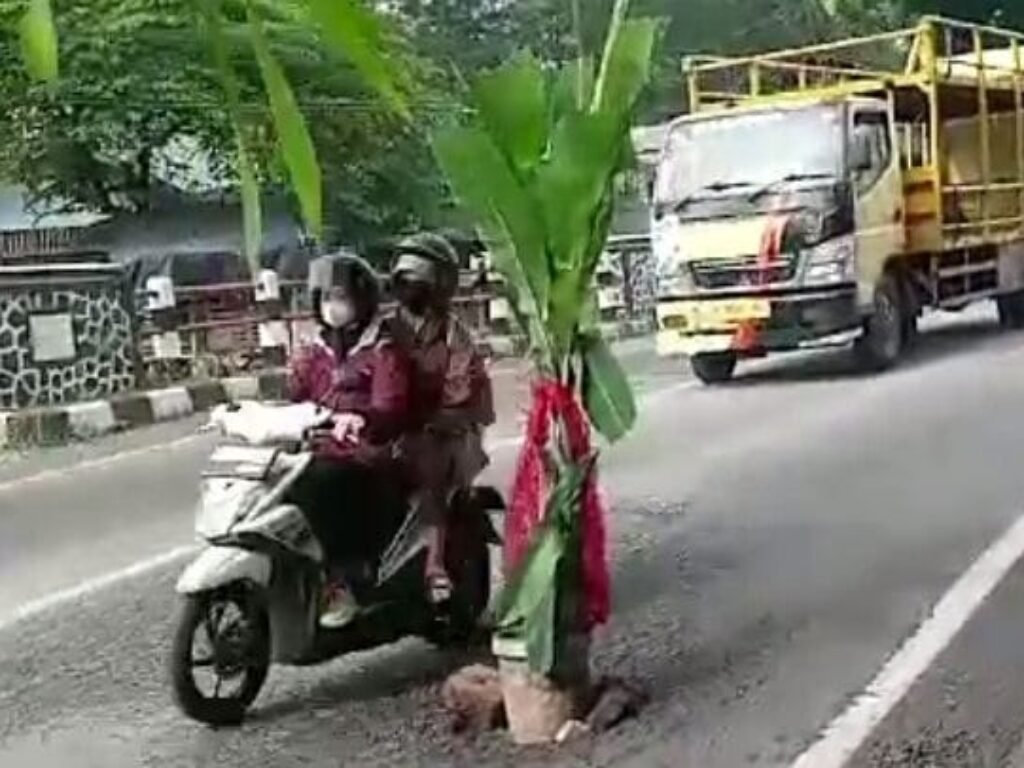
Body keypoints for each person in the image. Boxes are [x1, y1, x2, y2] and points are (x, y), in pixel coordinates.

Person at [287, 252, 410, 628]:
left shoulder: (384, 348)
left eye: (340, 297)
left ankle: (342, 582)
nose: (332, 307)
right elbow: (295, 398)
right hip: (319, 448)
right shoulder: (316, 349)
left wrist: (361, 417)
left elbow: (391, 404)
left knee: (319, 485)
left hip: (369, 452)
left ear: (361, 299)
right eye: (325, 298)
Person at [388, 233, 495, 603]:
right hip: (389, 426)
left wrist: (437, 417)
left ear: (440, 283)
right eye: (404, 272)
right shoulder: (385, 327)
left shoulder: (455, 334)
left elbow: (461, 386)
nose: (409, 282)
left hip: (445, 431)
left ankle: (434, 565)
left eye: (419, 274)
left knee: (428, 467)